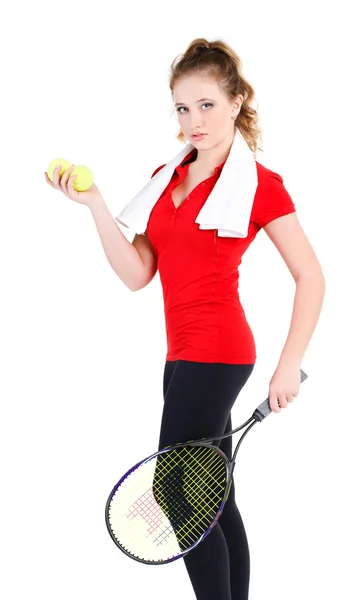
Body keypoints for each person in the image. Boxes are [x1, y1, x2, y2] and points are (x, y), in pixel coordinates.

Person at [44, 37, 325, 600]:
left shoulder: (259, 186)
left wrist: (288, 365)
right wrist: (97, 204)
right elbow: (137, 272)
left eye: (206, 105)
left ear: (236, 101)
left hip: (218, 352)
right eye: (181, 107)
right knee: (216, 498)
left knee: (175, 492)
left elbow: (311, 276)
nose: (193, 120)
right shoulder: (168, 177)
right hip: (181, 355)